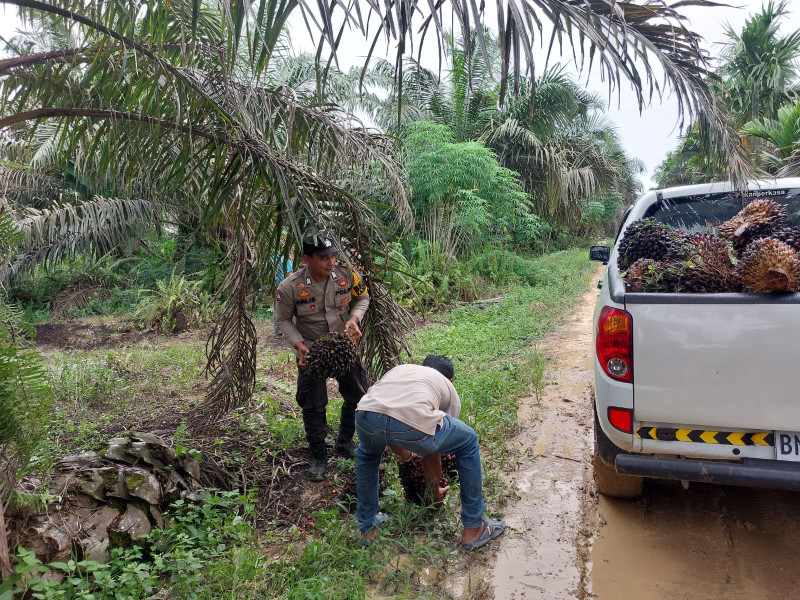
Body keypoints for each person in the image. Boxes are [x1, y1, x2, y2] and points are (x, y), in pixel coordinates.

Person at [354, 355, 506, 550]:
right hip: (410, 419)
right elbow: (433, 450)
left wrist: (405, 454)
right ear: (450, 379)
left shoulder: (403, 370)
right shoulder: (447, 387)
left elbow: (385, 416)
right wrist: (433, 498)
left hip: (366, 415)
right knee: (468, 441)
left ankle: (368, 529)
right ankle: (474, 529)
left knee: (368, 454)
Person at [274, 233, 370, 480]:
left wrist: (353, 318)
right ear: (307, 259)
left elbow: (363, 298)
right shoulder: (290, 287)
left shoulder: (348, 274)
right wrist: (298, 344)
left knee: (359, 394)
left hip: (343, 345)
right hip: (312, 351)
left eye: (333, 256)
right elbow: (283, 319)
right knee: (313, 404)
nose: (331, 262)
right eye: (324, 257)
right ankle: (318, 455)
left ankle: (344, 442)